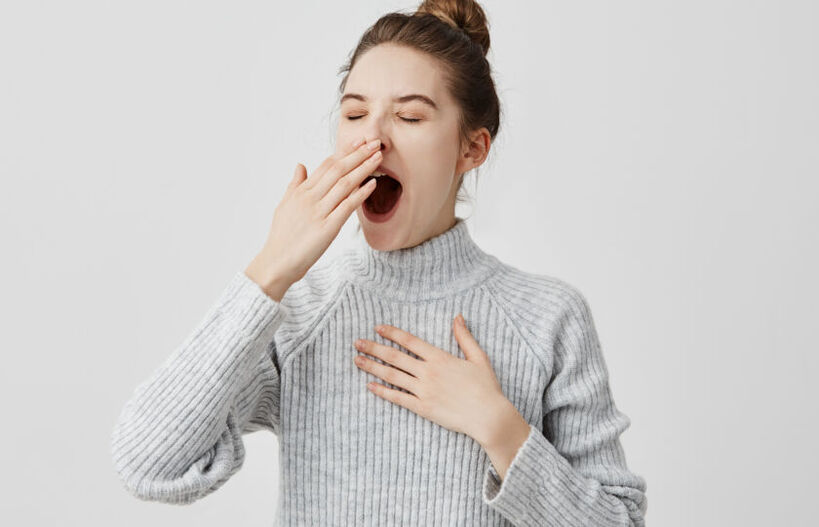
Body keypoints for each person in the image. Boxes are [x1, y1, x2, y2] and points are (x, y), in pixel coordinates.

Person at [109, 0, 648, 525]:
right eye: (354, 112)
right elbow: (147, 463)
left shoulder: (548, 318)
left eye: (410, 115)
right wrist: (271, 268)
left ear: (473, 148)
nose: (372, 137)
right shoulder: (302, 312)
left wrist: (500, 428)